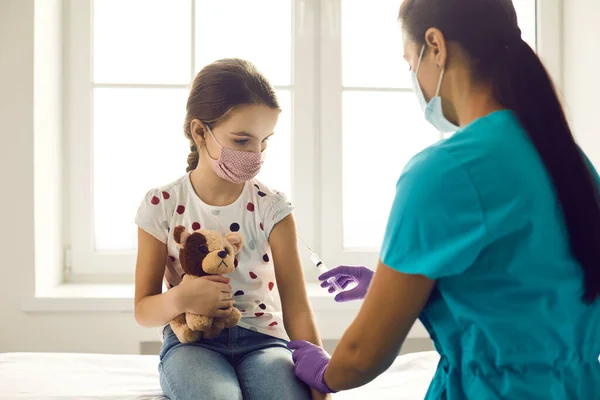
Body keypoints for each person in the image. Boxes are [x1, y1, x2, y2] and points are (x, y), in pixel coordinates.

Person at [287, 0, 600, 398]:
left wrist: (324, 371)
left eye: (409, 61)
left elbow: (362, 354)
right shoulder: (570, 161)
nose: (413, 76)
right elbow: (527, 285)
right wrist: (393, 286)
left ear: (435, 46)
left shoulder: (447, 170)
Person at [134, 58, 329, 400]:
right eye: (242, 141)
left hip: (266, 344)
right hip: (193, 345)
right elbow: (144, 310)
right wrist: (182, 297)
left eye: (264, 141)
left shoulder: (273, 208)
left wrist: (318, 380)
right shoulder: (161, 205)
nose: (255, 154)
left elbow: (297, 307)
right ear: (199, 132)